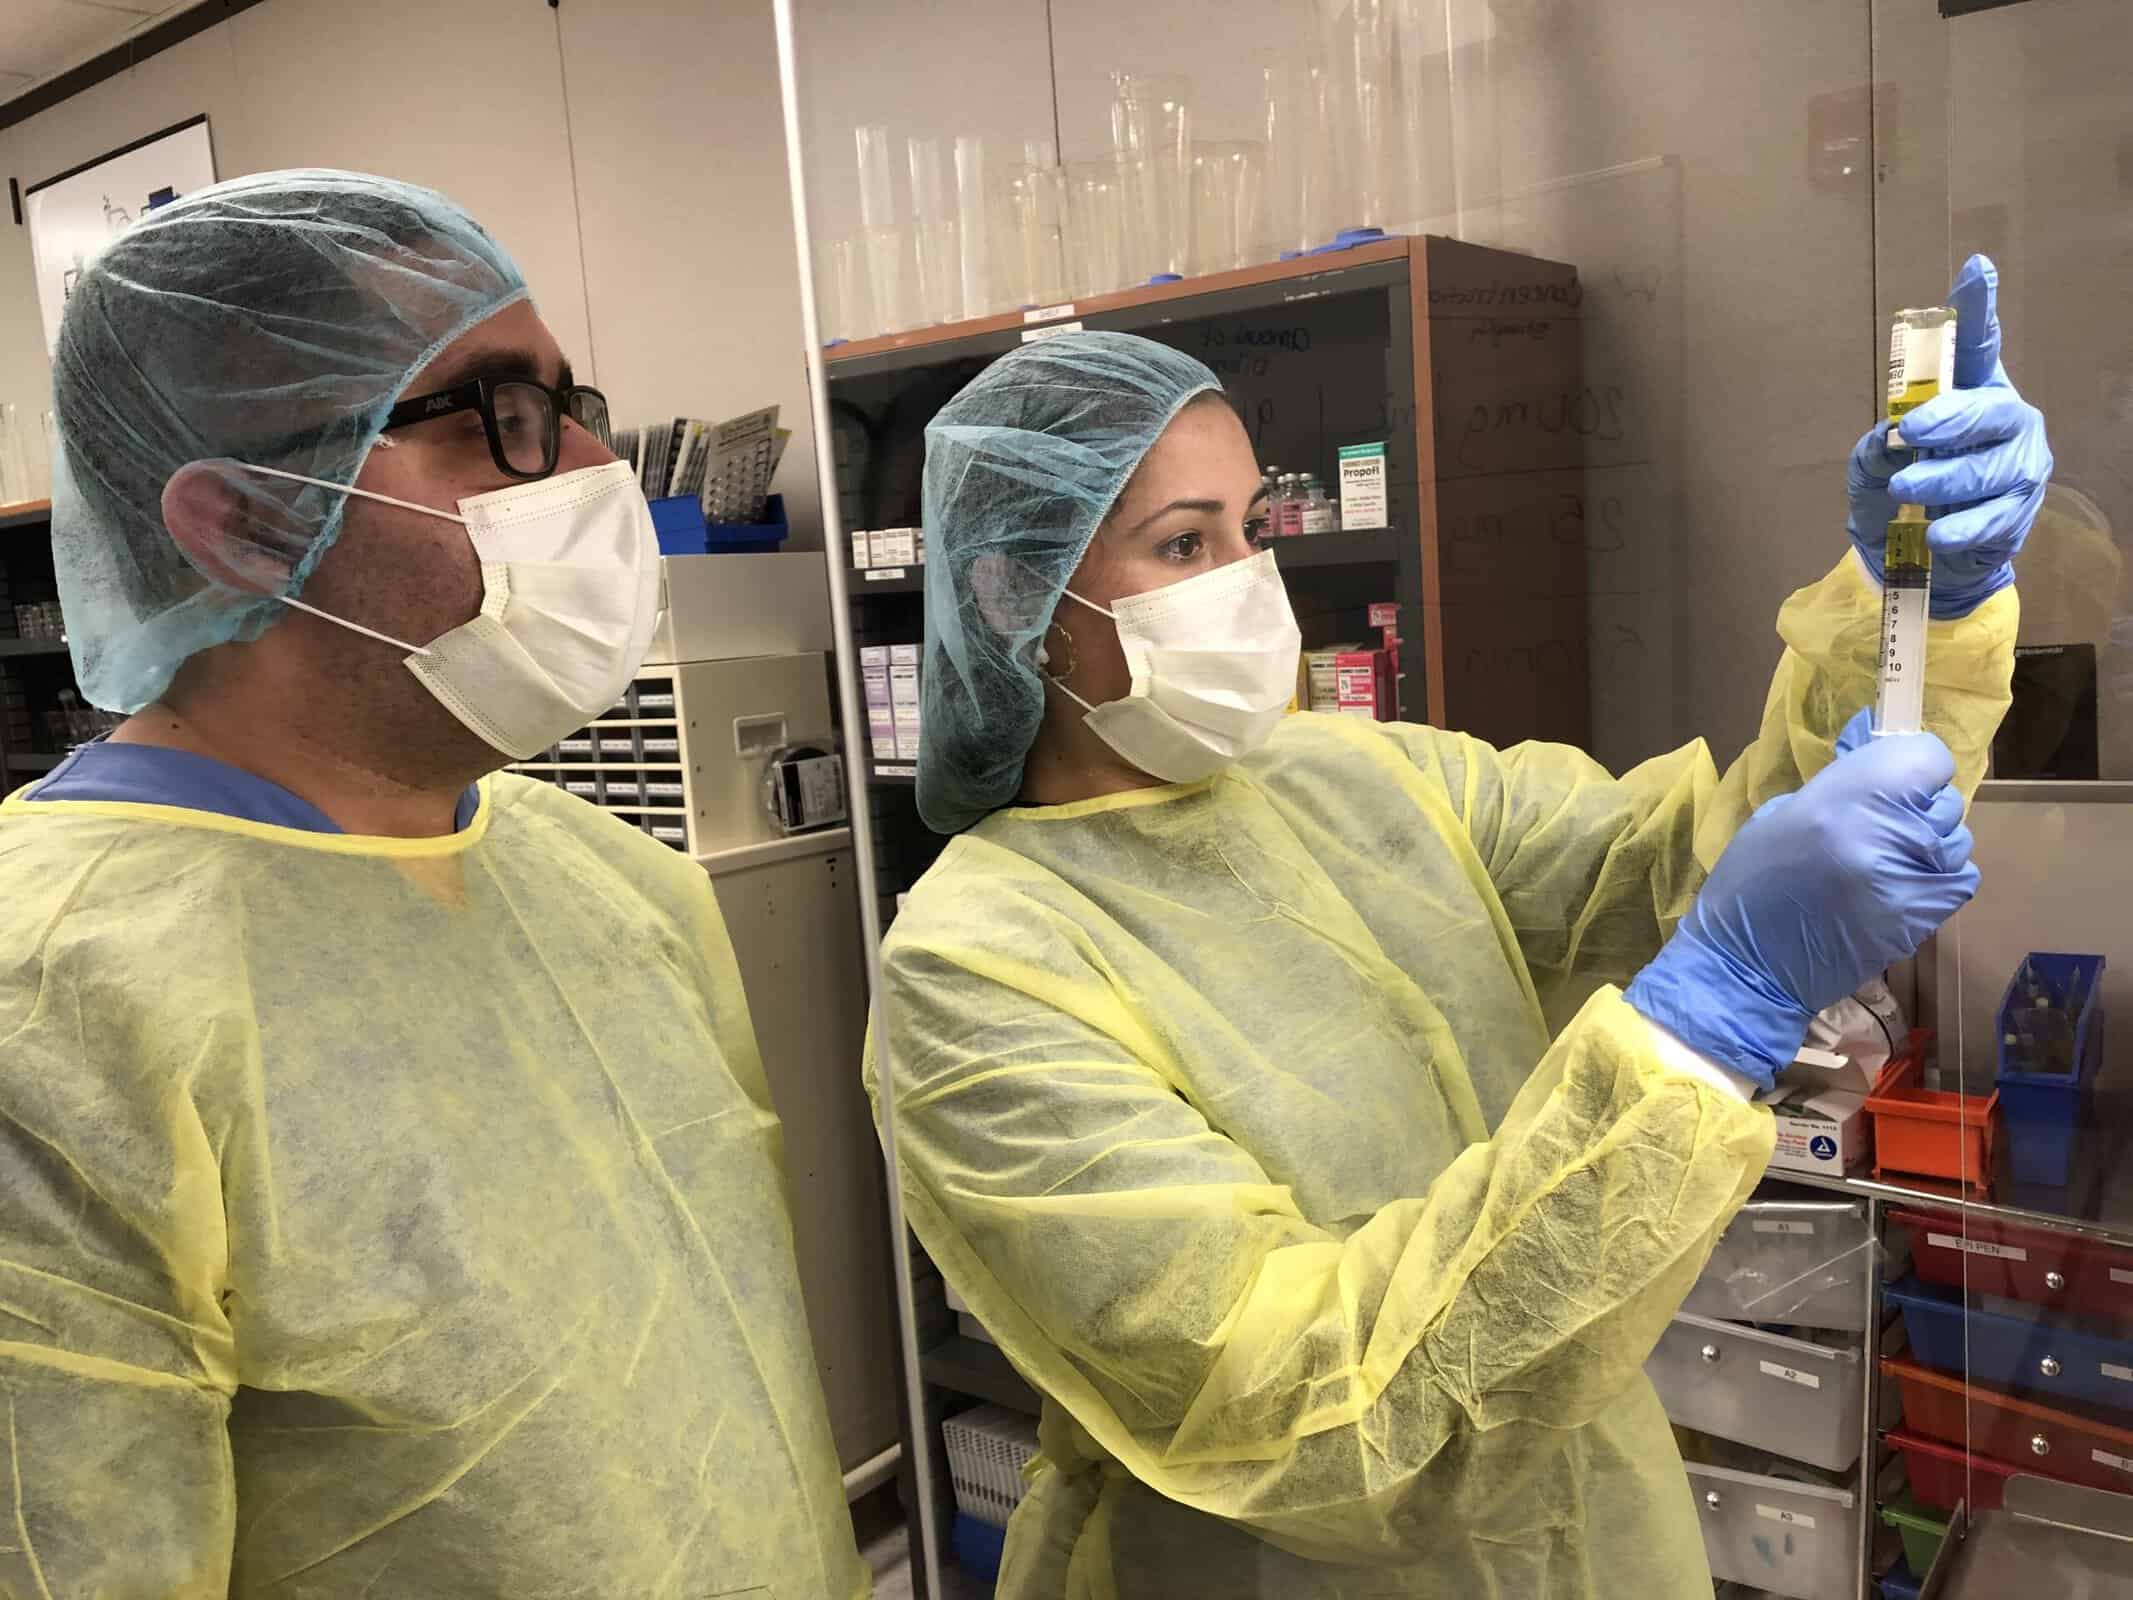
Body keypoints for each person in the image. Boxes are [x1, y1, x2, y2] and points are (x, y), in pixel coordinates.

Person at [870, 256, 2047, 1598]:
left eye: (1251, 530)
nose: (1249, 583)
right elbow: (1315, 1420)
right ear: (1016, 602)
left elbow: (1691, 868)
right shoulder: (976, 968)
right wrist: (1709, 1007)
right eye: (1183, 543)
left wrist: (1918, 615)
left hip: (1578, 1509)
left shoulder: (1356, 776)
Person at [0, 171, 866, 1598]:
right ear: (244, 524)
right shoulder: (52, 1010)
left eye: (574, 402)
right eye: (498, 417)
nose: (590, 466)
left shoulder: (607, 880)